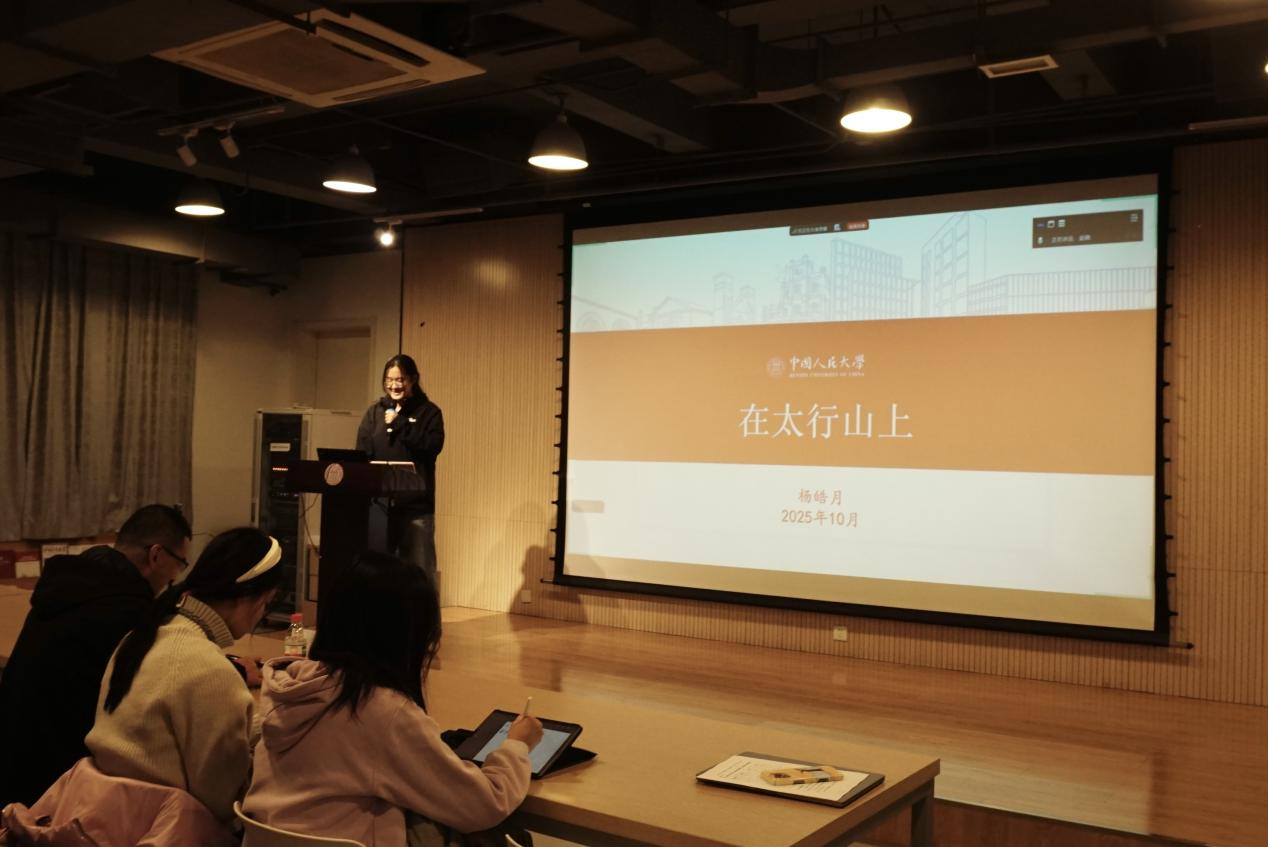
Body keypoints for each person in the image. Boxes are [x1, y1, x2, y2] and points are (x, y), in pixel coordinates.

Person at [244, 551, 542, 846]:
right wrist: (516, 746)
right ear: (407, 636)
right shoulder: (382, 711)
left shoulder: (286, 688)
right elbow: (484, 805)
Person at [85, 526, 283, 823]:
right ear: (247, 596)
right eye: (266, 603)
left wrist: (261, 725)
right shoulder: (210, 669)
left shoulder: (142, 637)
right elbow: (222, 802)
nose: (262, 614)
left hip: (110, 816)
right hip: (160, 829)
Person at [0, 504, 191, 807]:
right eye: (180, 563)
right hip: (57, 784)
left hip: (14, 757)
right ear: (156, 555)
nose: (175, 576)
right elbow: (167, 677)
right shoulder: (127, 608)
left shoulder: (71, 583)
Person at [356, 353, 445, 576]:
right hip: (379, 506)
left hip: (415, 507)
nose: (394, 385)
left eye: (400, 380)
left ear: (413, 379)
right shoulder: (374, 412)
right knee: (378, 571)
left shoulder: (429, 412)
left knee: (419, 571)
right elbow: (361, 454)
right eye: (389, 380)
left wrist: (401, 424)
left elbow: (432, 447)